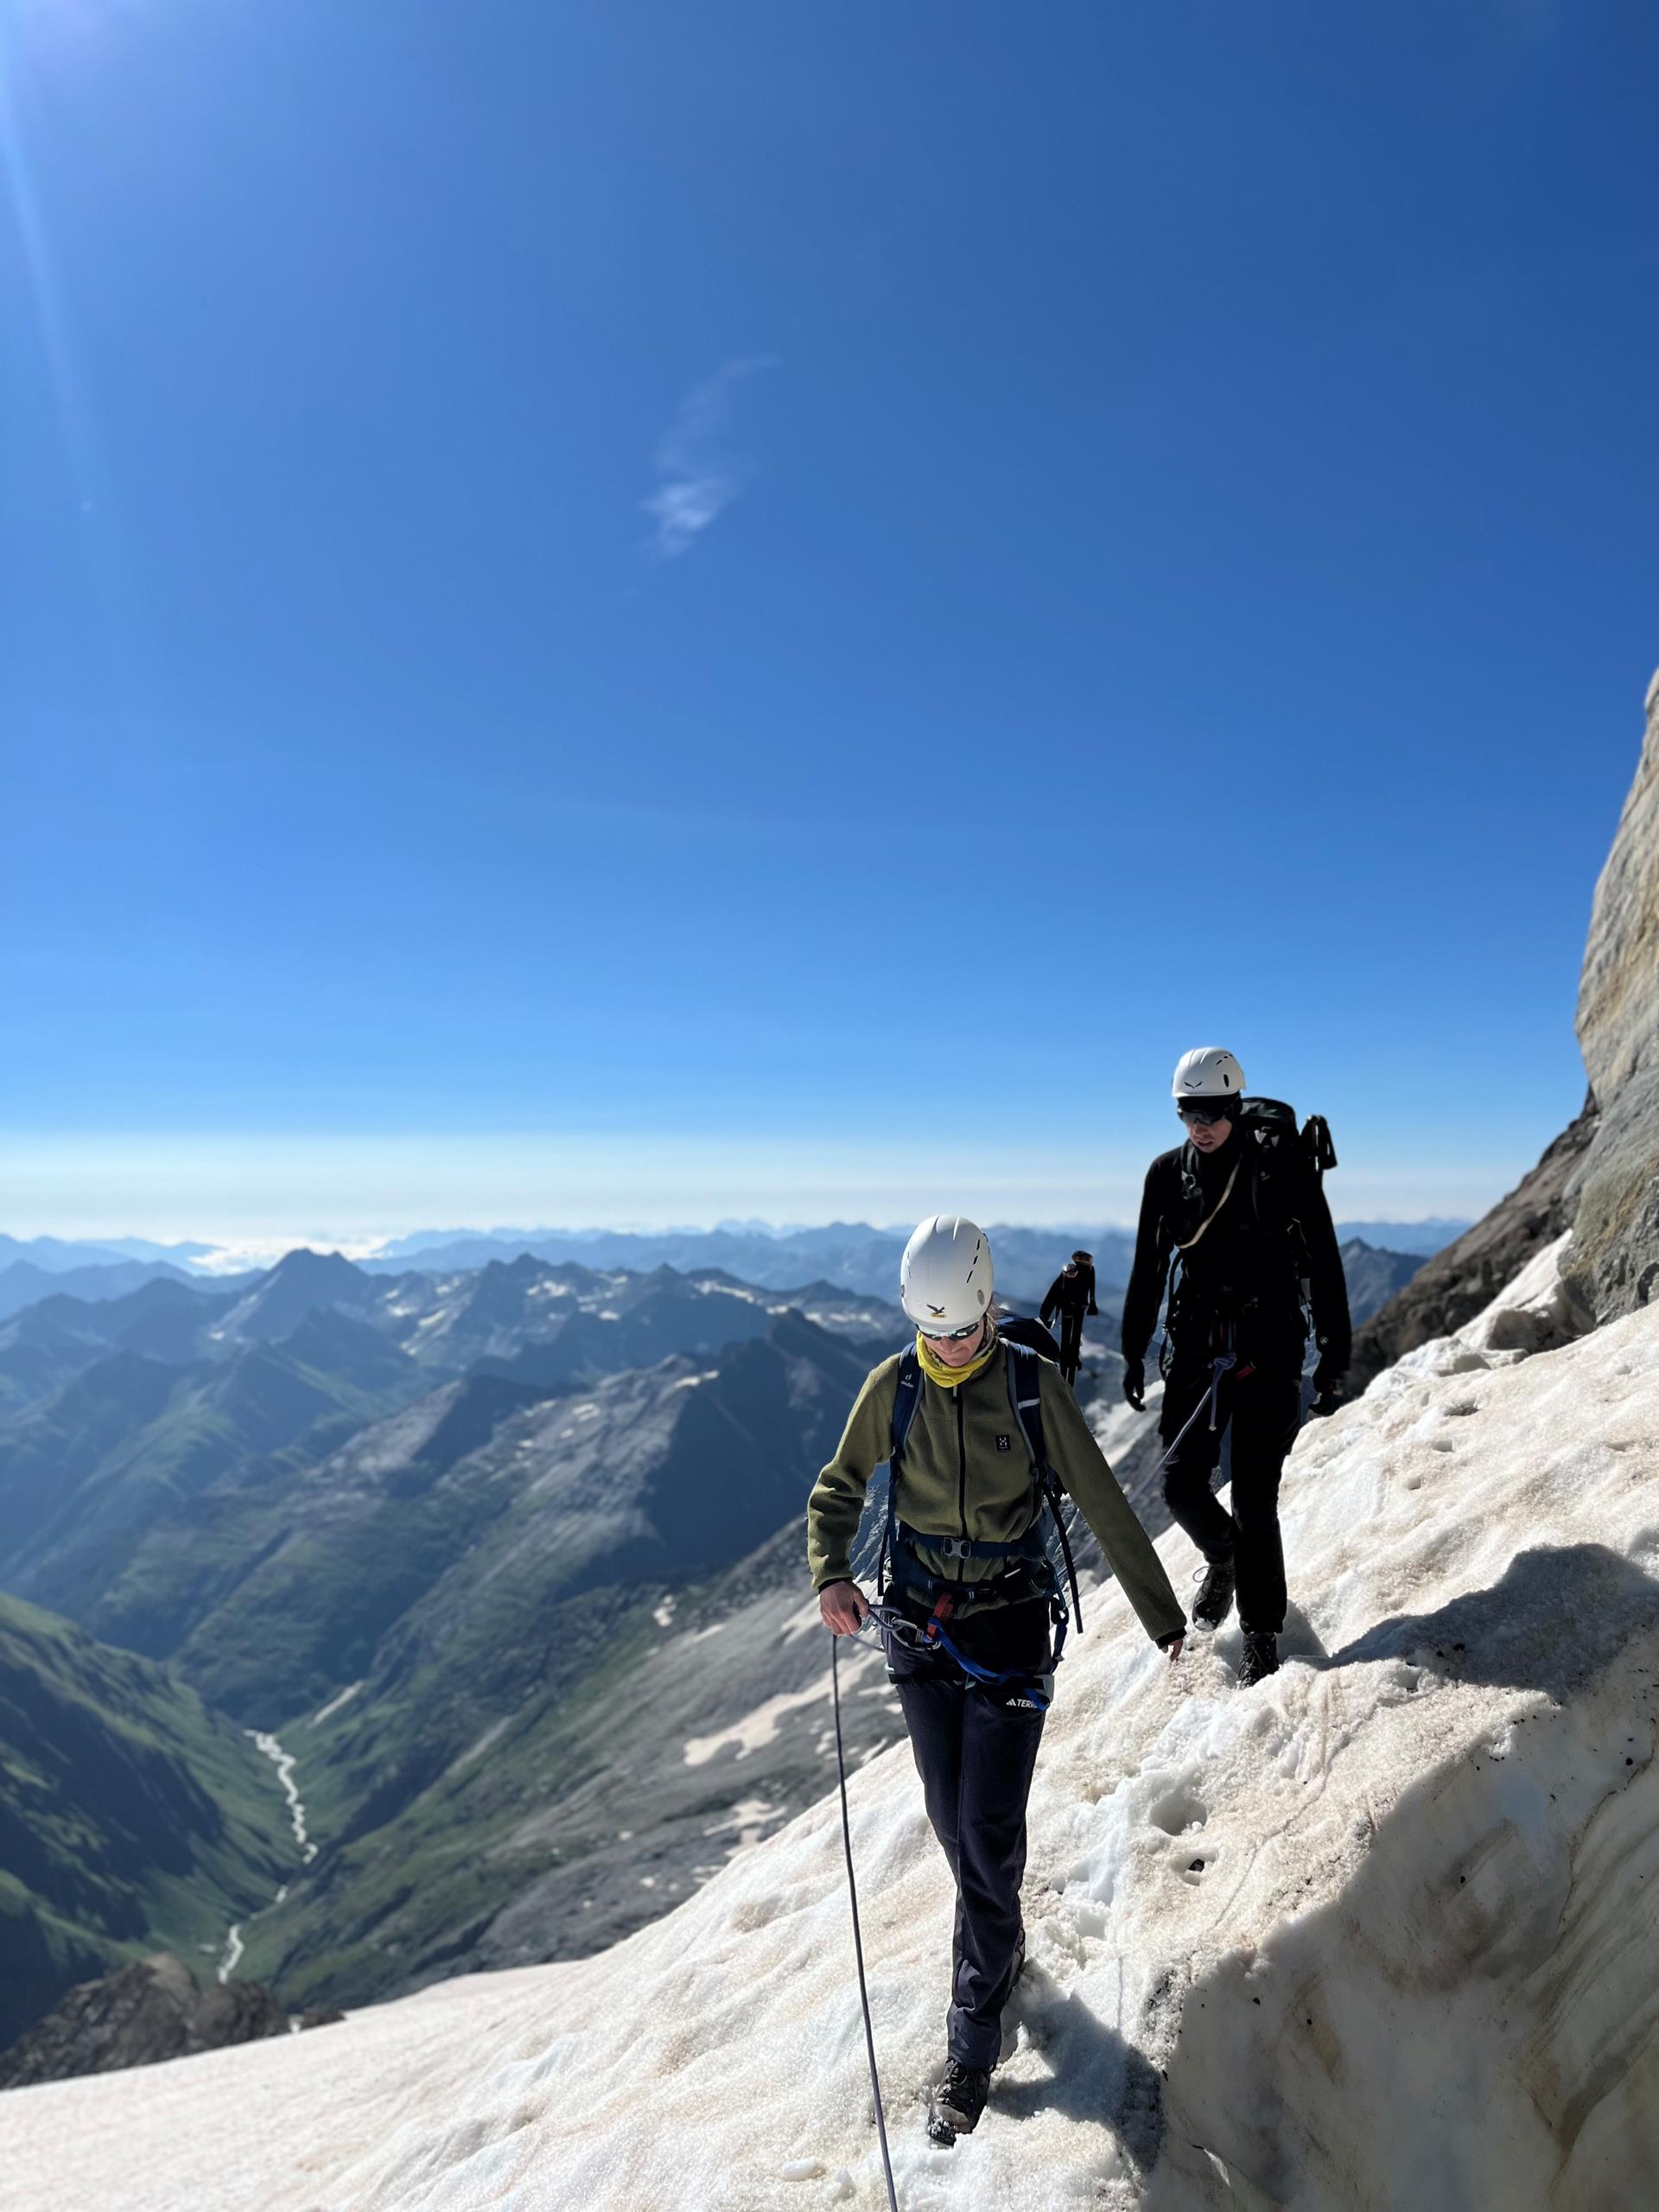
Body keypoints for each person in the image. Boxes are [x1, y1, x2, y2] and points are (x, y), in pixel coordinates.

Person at [809, 1215, 1185, 2146]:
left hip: (1010, 1630)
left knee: (982, 1834)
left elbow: (1101, 1498)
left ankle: (971, 2049)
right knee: (954, 1822)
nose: (948, 1348)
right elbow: (839, 1486)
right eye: (932, 1333)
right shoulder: (893, 1387)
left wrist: (1163, 1617)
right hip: (921, 1631)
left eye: (963, 1330)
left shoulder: (1030, 1383)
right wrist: (830, 1573)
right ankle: (1002, 1938)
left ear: (987, 1305)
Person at [1120, 1048, 1351, 1688]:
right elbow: (1146, 1269)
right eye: (1188, 1113)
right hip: (1198, 1342)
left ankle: (1261, 1636)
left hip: (1269, 1344)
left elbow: (1325, 1260)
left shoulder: (1280, 1168)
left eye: (1213, 1113)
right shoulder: (1167, 1175)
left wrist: (1335, 1357)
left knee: (1252, 1496)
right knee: (1179, 1485)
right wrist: (1133, 1349)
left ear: (1236, 1106)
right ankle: (1224, 1558)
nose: (1201, 1126)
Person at [1039, 1249, 1097, 1385]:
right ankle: (1068, 1374)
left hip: (1069, 1310)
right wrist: (1092, 1302)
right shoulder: (1088, 1271)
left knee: (1068, 1339)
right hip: (1078, 1309)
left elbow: (1053, 1293)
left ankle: (1065, 1373)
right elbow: (1090, 1287)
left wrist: (1045, 1315)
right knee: (1073, 1338)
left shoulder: (1068, 1273)